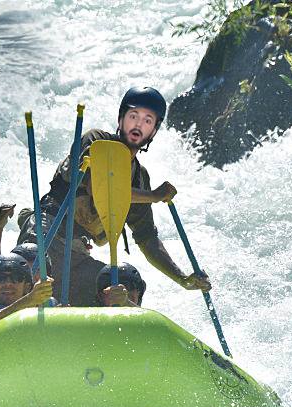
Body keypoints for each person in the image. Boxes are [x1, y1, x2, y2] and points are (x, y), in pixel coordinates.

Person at [17, 86, 211, 306]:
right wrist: (154, 196)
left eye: (148, 120)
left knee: (124, 287)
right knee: (34, 275)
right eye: (133, 116)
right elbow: (98, 186)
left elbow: (147, 239)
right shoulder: (96, 141)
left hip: (77, 253)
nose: (138, 124)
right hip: (46, 235)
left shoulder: (139, 177)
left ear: (154, 131)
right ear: (121, 119)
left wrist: (183, 279)